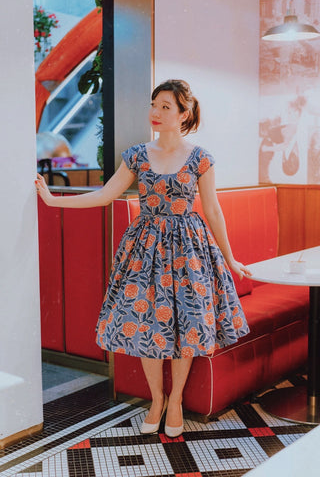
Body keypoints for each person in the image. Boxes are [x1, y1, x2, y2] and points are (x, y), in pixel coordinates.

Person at [35, 79, 251, 438]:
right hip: (145, 251)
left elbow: (213, 210)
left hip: (189, 252)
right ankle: (156, 399)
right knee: (146, 324)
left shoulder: (201, 158)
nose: (156, 112)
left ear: (185, 114)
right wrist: (53, 201)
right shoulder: (137, 154)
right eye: (154, 104)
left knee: (187, 327)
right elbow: (106, 195)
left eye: (166, 106)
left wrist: (230, 258)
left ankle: (177, 399)